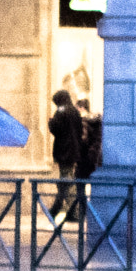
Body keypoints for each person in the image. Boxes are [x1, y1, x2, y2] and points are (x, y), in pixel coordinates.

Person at [46, 90, 83, 219]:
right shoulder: (75, 111)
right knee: (64, 180)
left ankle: (74, 211)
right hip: (74, 151)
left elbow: (56, 128)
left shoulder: (61, 111)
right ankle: (58, 208)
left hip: (63, 151)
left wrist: (50, 122)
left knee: (67, 180)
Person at [74, 100, 102, 179]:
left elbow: (83, 139)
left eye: (77, 109)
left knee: (79, 181)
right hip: (94, 156)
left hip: (83, 156)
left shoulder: (83, 121)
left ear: (82, 108)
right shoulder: (96, 121)